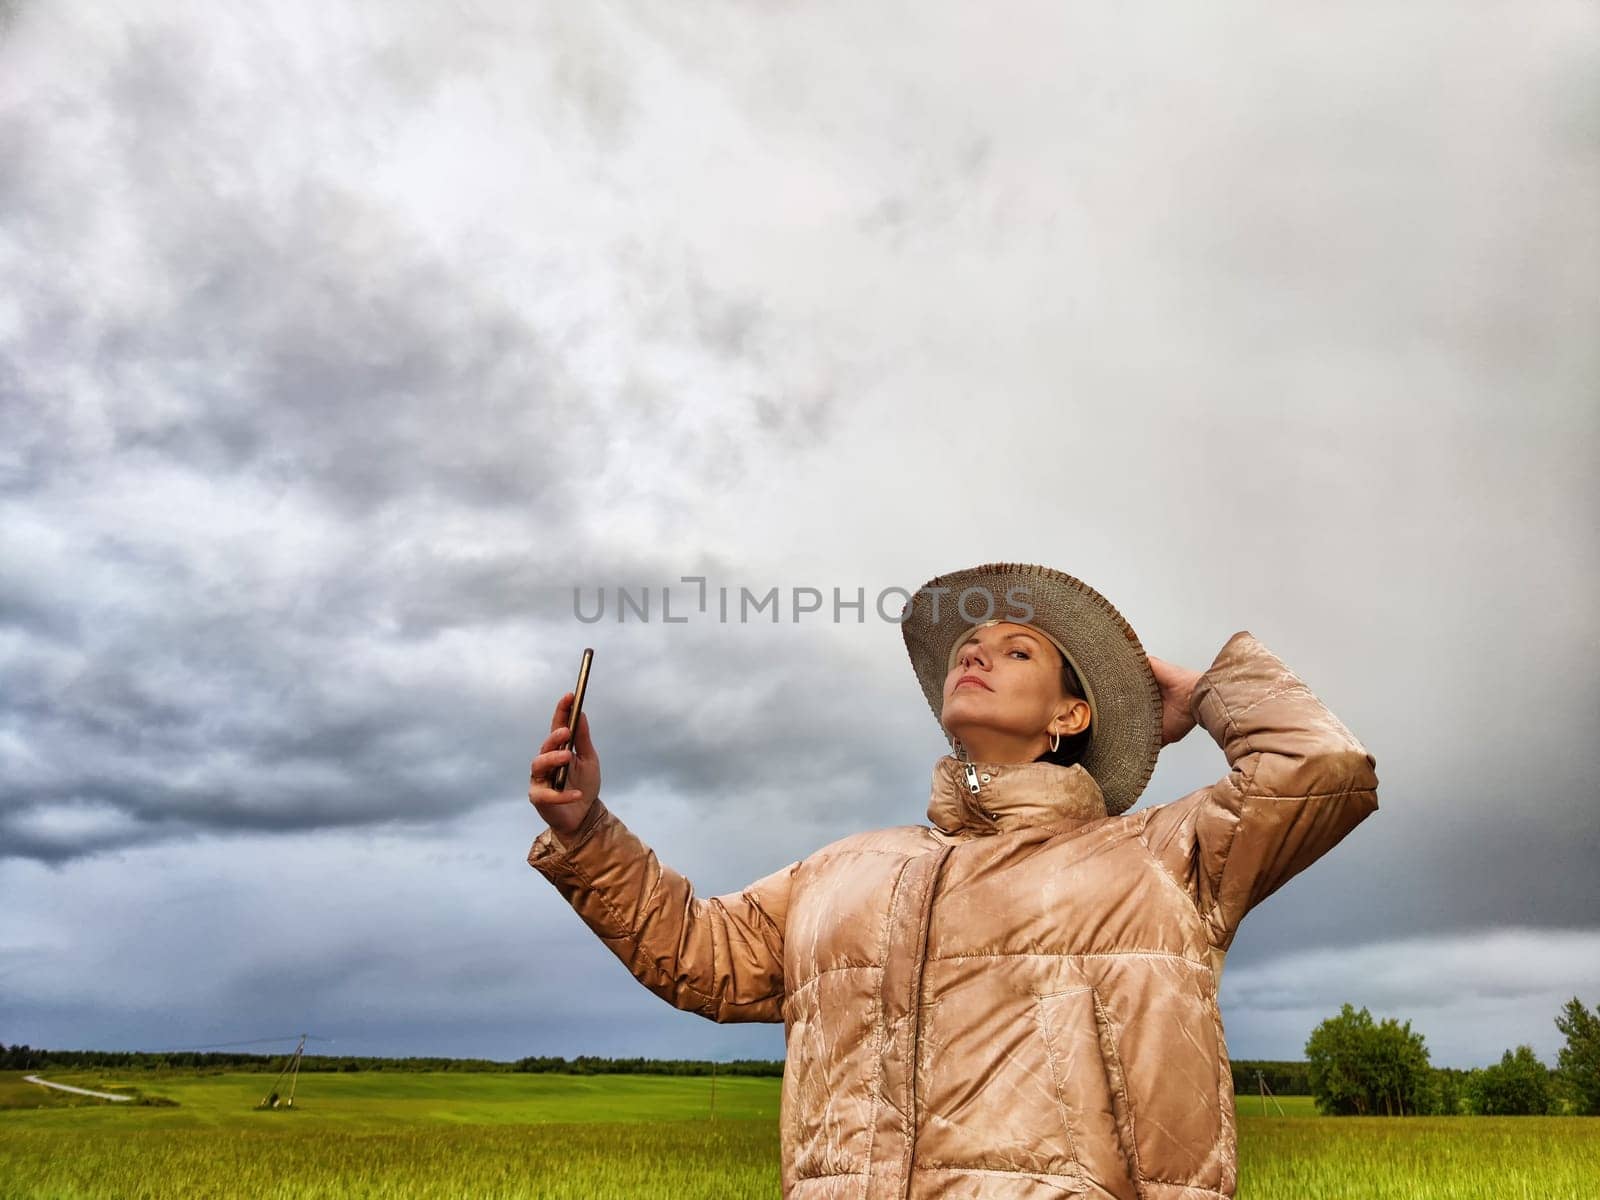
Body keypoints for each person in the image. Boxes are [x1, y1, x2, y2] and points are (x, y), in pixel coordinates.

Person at [526, 562, 1379, 1200]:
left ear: (1069, 715)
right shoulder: (848, 869)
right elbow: (696, 952)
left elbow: (1319, 765)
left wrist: (1198, 691)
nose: (977, 655)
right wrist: (586, 830)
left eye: (1017, 651)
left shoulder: (1158, 858)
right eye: (968, 649)